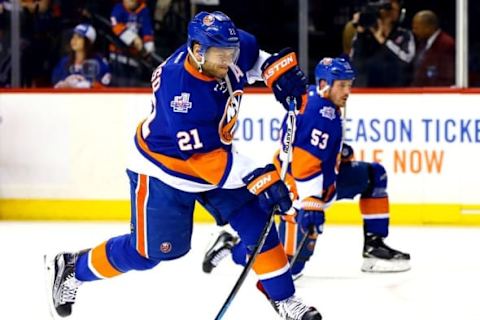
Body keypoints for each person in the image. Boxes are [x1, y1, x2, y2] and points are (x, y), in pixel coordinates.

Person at [44, 11, 322, 320]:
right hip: (165, 171)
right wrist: (260, 176)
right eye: (222, 55)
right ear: (197, 50)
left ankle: (285, 300)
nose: (229, 61)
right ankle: (73, 268)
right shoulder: (180, 92)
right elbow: (206, 162)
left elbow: (253, 58)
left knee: (259, 223)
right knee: (148, 254)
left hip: (215, 160)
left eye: (231, 53)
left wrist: (273, 72)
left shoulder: (224, 49)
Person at [203, 57, 411, 283]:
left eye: (349, 84)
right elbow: (304, 164)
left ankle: (374, 247)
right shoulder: (318, 115)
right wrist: (311, 202)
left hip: (323, 182)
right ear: (324, 84)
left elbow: (312, 149)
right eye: (341, 85)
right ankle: (233, 247)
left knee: (373, 175)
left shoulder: (318, 100)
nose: (347, 91)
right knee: (288, 266)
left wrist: (337, 151)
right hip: (299, 191)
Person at [349, 0, 415, 87]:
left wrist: (383, 41)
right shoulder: (365, 35)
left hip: (396, 90)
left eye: (391, 8)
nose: (388, 12)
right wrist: (361, 32)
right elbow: (354, 61)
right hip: (367, 90)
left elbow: (405, 61)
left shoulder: (404, 35)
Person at [109, 0, 155, 86]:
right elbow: (116, 25)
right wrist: (133, 38)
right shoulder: (119, 8)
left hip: (135, 59)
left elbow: (147, 32)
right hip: (118, 56)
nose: (127, 2)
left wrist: (148, 49)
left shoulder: (143, 10)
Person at [51, 23, 111, 88]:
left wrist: (89, 85)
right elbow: (55, 82)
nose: (74, 40)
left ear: (88, 41)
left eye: (79, 37)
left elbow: (105, 87)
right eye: (73, 36)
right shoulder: (64, 61)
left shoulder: (99, 63)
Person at [411, 10, 455, 87]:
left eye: (416, 28)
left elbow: (447, 78)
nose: (414, 31)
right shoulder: (423, 43)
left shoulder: (446, 44)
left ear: (429, 27)